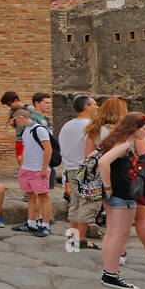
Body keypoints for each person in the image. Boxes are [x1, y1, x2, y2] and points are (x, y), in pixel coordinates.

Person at [85, 96, 145, 264]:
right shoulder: (130, 132)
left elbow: (89, 157)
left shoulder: (95, 130)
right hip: (128, 180)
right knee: (143, 218)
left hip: (107, 181)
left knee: (112, 220)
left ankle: (119, 254)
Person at [96, 112, 145, 289]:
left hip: (117, 195)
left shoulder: (117, 141)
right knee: (119, 235)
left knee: (112, 234)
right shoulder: (125, 144)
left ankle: (109, 271)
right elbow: (103, 162)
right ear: (134, 128)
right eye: (144, 129)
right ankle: (111, 275)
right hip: (121, 195)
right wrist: (107, 187)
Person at [61, 95, 100, 248]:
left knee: (75, 203)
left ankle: (72, 236)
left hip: (71, 168)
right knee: (88, 204)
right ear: (86, 107)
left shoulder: (67, 125)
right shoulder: (91, 126)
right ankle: (81, 239)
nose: (97, 107)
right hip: (87, 168)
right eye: (95, 104)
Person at [10, 108, 52, 237]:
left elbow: (48, 150)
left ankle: (45, 225)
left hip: (38, 170)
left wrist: (44, 169)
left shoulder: (39, 130)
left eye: (14, 119)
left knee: (43, 197)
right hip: (27, 169)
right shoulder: (25, 131)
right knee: (30, 197)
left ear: (20, 117)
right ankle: (31, 223)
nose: (14, 123)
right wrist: (22, 167)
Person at [1, 92, 25, 161]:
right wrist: (13, 125)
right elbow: (17, 128)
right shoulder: (11, 111)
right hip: (19, 140)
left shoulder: (30, 109)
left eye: (9, 104)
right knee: (20, 160)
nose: (9, 106)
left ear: (16, 100)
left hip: (29, 140)